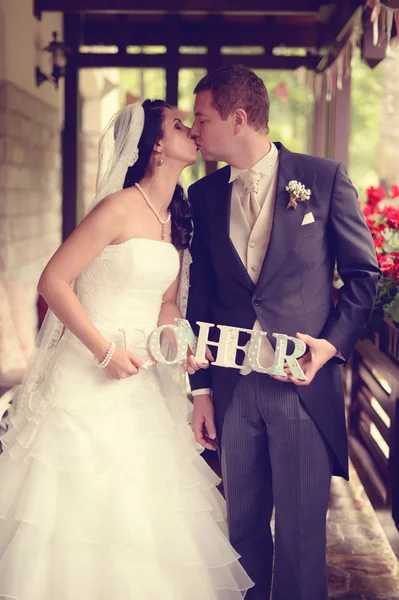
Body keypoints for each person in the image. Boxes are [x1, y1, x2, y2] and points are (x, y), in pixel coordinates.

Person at [0, 99, 253, 600]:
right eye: (181, 125)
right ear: (156, 145)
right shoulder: (116, 207)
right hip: (88, 376)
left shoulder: (174, 215)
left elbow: (163, 302)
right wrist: (103, 352)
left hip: (144, 382)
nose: (193, 131)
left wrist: (180, 342)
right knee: (78, 507)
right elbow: (53, 281)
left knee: (146, 513)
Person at [187, 65, 380, 600]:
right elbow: (198, 297)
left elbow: (364, 275)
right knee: (240, 535)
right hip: (232, 388)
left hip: (302, 386)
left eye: (203, 118)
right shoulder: (201, 197)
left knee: (300, 541)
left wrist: (331, 346)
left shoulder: (322, 179)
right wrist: (200, 390)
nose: (195, 130)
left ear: (239, 119)